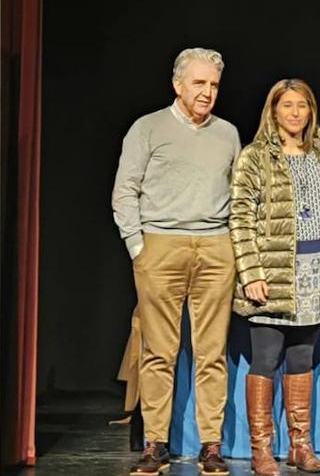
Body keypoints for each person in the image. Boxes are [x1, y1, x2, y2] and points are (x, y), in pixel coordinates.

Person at [112, 48, 241, 476]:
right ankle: (155, 444)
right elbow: (124, 190)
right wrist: (138, 247)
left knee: (212, 353)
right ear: (178, 85)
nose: (207, 93)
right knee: (158, 352)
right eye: (199, 83)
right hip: (160, 245)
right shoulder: (147, 128)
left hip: (215, 246)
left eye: (214, 85)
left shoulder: (228, 133)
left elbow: (237, 196)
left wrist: (232, 248)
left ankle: (211, 444)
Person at [231, 79, 320, 475]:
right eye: (287, 105)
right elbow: (240, 218)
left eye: (302, 105)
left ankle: (300, 445)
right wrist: (251, 272)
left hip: (315, 272)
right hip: (272, 272)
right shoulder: (255, 157)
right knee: (266, 359)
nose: (295, 113)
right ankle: (261, 450)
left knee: (302, 356)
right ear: (274, 111)